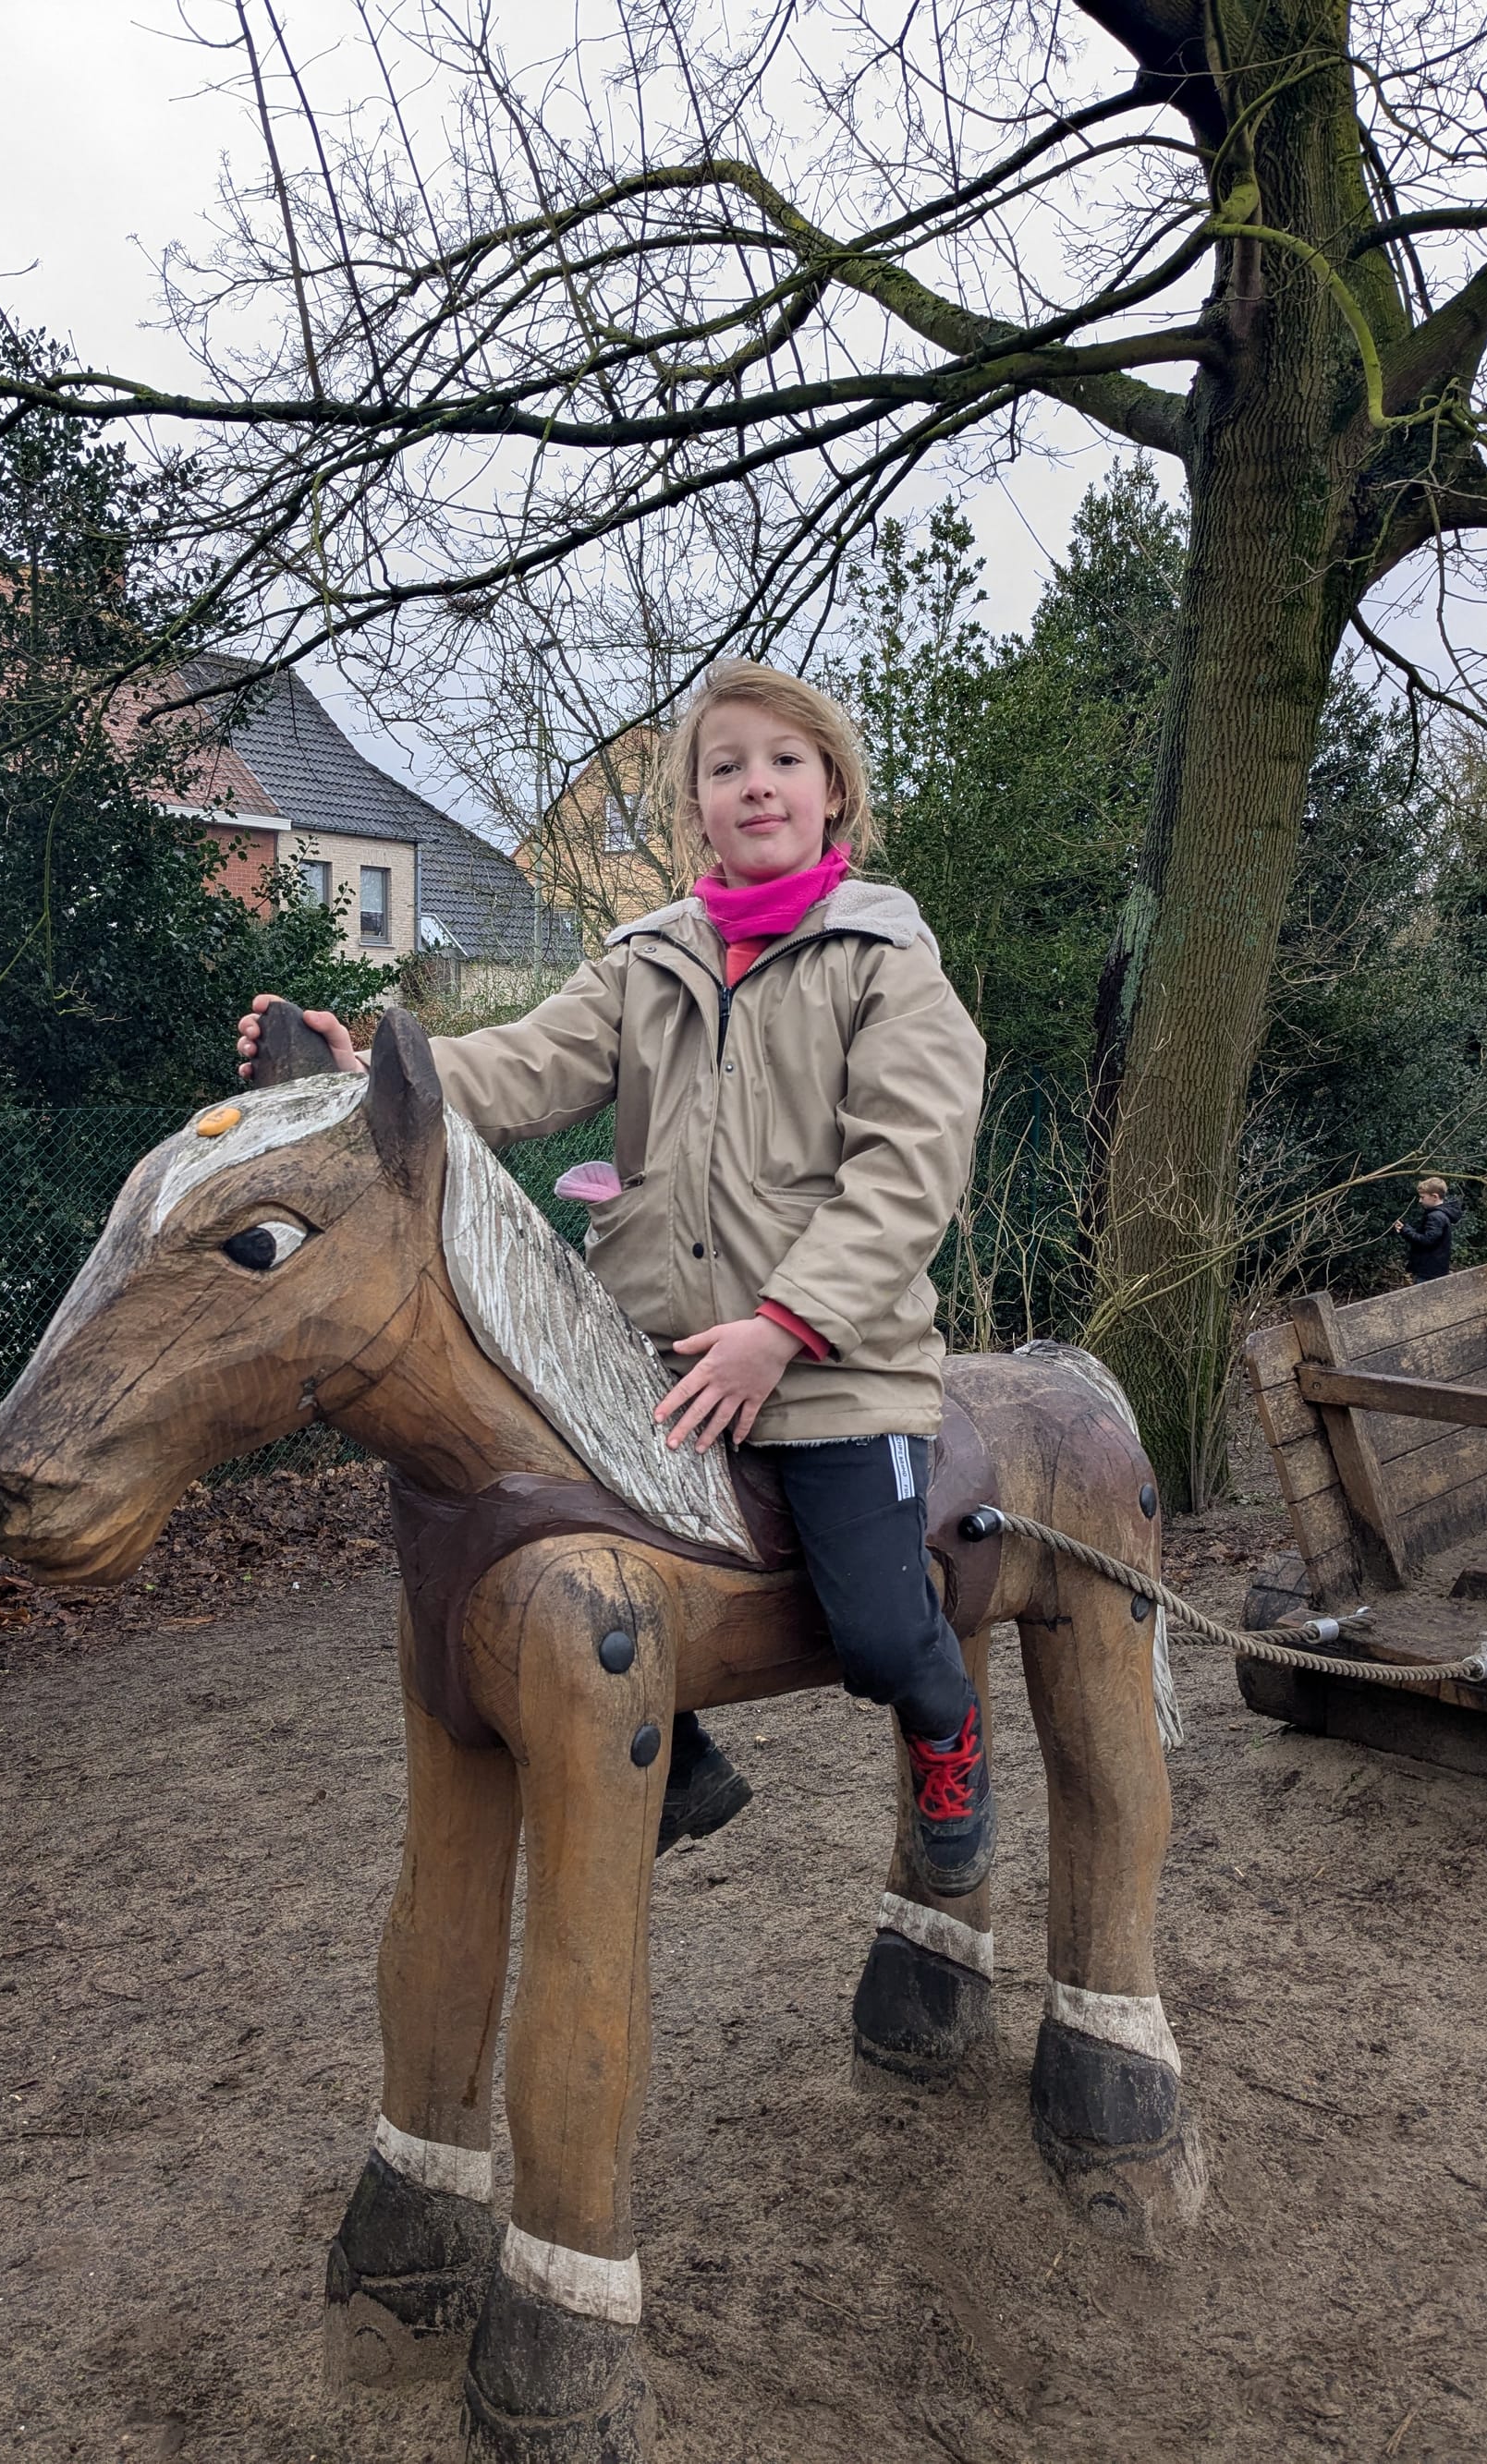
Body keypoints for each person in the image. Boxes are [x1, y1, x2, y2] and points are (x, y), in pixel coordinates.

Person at [236, 661, 994, 1896]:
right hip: (643, 1350)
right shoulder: (649, 959)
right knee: (552, 1534)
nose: (756, 782)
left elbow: (909, 1175)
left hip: (829, 1361)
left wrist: (781, 1327)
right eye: (725, 764)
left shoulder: (885, 962)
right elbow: (517, 1068)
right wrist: (364, 1061)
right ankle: (683, 1757)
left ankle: (946, 1728)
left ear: (834, 792)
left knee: (871, 1624)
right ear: (694, 804)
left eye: (784, 760)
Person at [1393, 1175, 1462, 1283]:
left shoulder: (1436, 1216)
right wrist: (1406, 1229)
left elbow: (1427, 1241)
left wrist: (1405, 1231)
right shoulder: (1439, 1215)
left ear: (1434, 1196)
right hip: (1434, 1269)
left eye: (1422, 1197)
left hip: (1428, 1271)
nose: (1420, 1201)